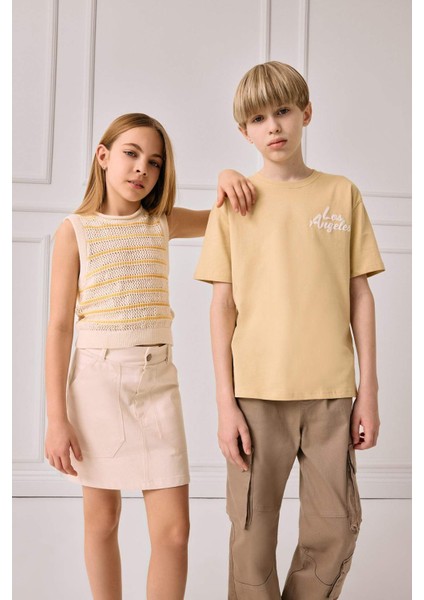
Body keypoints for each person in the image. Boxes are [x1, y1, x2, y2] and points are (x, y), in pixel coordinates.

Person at [44, 112, 254, 600]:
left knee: (174, 532)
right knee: (102, 521)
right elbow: (58, 328)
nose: (142, 168)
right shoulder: (75, 230)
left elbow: (227, 217)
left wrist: (227, 176)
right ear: (103, 157)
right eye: (131, 154)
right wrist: (56, 419)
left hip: (157, 382)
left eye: (154, 162)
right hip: (96, 383)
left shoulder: (161, 221)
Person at [194, 61, 385, 600]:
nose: (273, 126)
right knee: (251, 538)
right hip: (255, 396)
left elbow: (360, 296)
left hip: (331, 395)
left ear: (306, 113)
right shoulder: (232, 204)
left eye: (282, 111)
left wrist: (368, 392)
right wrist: (225, 404)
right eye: (258, 118)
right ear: (244, 132)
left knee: (335, 530)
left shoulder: (342, 194)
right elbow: (221, 307)